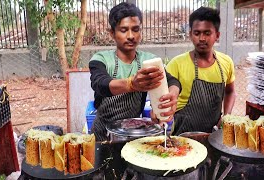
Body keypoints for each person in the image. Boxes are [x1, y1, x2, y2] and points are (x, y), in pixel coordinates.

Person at [89, 2, 181, 141]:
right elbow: (100, 83)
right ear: (112, 33)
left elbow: (172, 81)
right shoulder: (102, 59)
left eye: (136, 29)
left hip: (134, 132)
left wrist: (172, 95)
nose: (131, 36)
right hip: (104, 134)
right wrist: (131, 84)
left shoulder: (148, 61)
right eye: (124, 30)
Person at [166, 6, 236, 135]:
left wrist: (226, 116)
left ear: (217, 35)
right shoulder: (176, 64)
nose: (202, 38)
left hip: (213, 135)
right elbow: (164, 98)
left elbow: (230, 92)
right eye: (197, 33)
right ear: (190, 34)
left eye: (207, 33)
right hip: (183, 137)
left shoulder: (226, 62)